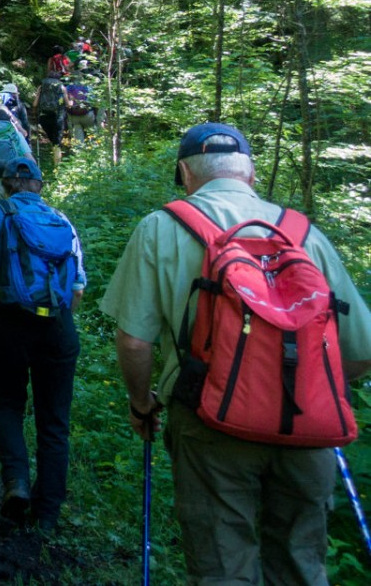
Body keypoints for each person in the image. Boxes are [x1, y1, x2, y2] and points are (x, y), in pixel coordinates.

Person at [101, 122, 371, 586]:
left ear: (184, 173)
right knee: (302, 565)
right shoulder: (302, 233)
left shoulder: (161, 228)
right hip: (306, 425)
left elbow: (134, 342)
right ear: (250, 171)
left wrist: (141, 403)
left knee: (223, 568)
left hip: (210, 421)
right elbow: (361, 348)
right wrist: (316, 391)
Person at [0, 157, 85, 531]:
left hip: (11, 321)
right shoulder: (62, 221)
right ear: (40, 186)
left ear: (8, 184)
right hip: (58, 326)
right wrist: (59, 320)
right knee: (54, 420)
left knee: (8, 403)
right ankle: (47, 514)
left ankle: (16, 484)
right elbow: (76, 289)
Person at [33, 76, 67, 169]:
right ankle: (57, 167)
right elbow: (68, 104)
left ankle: (54, 159)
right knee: (57, 143)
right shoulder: (61, 87)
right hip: (57, 117)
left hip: (44, 117)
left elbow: (35, 104)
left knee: (53, 141)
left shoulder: (42, 87)